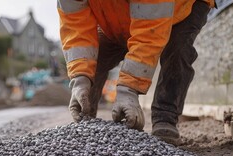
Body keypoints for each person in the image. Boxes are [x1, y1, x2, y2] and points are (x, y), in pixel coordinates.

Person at [58, 0, 215, 145]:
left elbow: (149, 33)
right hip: (120, 11)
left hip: (181, 6)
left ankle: (165, 118)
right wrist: (80, 79)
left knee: (178, 50)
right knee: (98, 55)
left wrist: (128, 90)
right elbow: (75, 26)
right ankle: (86, 120)